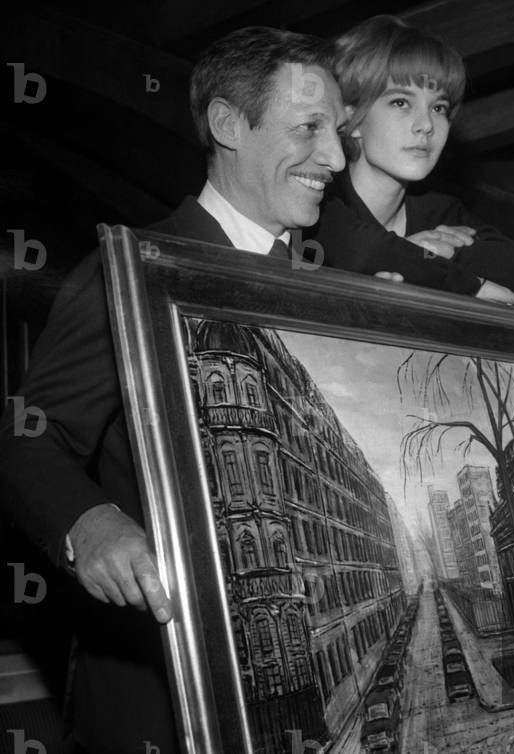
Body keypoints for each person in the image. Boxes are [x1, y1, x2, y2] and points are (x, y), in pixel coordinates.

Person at [0, 27, 348, 753]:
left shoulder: (331, 299)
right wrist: (90, 524)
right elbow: (28, 433)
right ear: (228, 124)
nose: (337, 158)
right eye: (310, 129)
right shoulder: (135, 268)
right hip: (162, 686)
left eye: (340, 133)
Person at [313, 15, 514, 322]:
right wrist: (465, 282)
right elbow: (359, 252)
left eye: (438, 107)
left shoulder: (442, 215)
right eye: (401, 102)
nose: (426, 125)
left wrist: (452, 253)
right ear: (352, 119)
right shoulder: (320, 199)